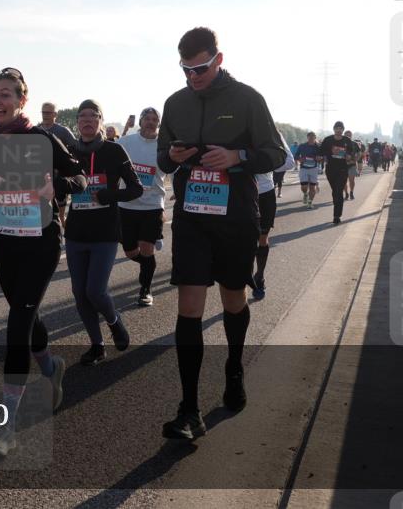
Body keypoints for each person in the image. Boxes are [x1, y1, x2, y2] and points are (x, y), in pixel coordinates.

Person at [157, 28, 285, 441]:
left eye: (200, 68)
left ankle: (234, 366)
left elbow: (277, 155)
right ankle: (189, 408)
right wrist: (173, 157)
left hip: (235, 218)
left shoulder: (248, 99)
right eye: (186, 69)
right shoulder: (175, 103)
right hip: (192, 218)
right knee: (189, 306)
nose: (193, 76)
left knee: (233, 297)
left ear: (219, 59)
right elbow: (163, 160)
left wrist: (239, 155)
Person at [0, 69, 87, 455]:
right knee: (28, 317)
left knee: (17, 324)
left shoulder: (42, 138)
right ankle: (51, 369)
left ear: (22, 99)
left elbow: (81, 178)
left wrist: (58, 186)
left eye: (5, 94)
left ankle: (5, 424)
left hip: (40, 242)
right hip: (4, 240)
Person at [65, 100, 142, 365]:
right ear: (77, 122)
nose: (87, 120)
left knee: (95, 291)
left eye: (93, 116)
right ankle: (97, 345)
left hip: (105, 232)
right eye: (82, 116)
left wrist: (111, 194)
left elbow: (136, 189)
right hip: (75, 232)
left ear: (101, 120)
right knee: (79, 293)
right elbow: (55, 182)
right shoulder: (69, 151)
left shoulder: (115, 150)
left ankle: (114, 321)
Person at [118, 107, 168, 307]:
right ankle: (148, 265)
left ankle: (145, 289)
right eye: (146, 118)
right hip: (127, 205)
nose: (150, 121)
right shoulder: (126, 142)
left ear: (159, 123)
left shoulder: (164, 147)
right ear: (140, 121)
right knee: (130, 251)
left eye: (154, 118)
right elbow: (110, 161)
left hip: (153, 204)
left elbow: (175, 171)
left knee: (147, 248)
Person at [252, 134, 295, 300]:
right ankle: (242, 280)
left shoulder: (272, 133)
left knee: (262, 238)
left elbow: (289, 162)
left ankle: (259, 277)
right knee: (244, 239)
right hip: (239, 192)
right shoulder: (235, 127)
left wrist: (261, 163)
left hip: (264, 193)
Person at [38, 102, 77, 231]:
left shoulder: (63, 131)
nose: (45, 115)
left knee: (59, 199)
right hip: (41, 172)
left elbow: (75, 146)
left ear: (55, 114)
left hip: (58, 171)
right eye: (43, 112)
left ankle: (61, 218)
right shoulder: (36, 130)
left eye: (48, 113)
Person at [320, 122, 358, 225]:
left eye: (340, 128)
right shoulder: (328, 140)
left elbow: (352, 153)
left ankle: (337, 216)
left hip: (342, 169)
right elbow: (321, 151)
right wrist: (320, 157)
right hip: (330, 169)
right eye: (336, 128)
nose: (338, 130)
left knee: (338, 191)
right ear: (333, 129)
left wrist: (349, 156)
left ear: (342, 130)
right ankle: (337, 204)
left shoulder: (347, 141)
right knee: (335, 191)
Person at [296, 132, 322, 208]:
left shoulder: (318, 147)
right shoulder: (302, 146)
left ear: (315, 138)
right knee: (304, 187)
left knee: (312, 187)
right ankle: (305, 194)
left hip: (314, 168)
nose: (311, 139)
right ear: (307, 137)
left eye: (313, 137)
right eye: (310, 137)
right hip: (304, 168)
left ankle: (310, 202)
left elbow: (322, 156)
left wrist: (320, 158)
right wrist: (300, 159)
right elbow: (296, 156)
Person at [344, 130, 358, 200]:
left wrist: (354, 160)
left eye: (349, 135)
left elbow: (359, 153)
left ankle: (351, 192)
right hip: (342, 165)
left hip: (352, 164)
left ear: (351, 136)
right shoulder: (341, 143)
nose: (348, 136)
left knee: (351, 180)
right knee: (343, 181)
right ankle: (346, 193)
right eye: (346, 135)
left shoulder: (354, 144)